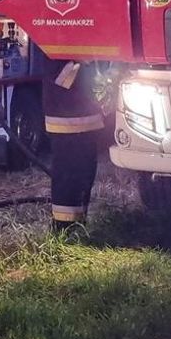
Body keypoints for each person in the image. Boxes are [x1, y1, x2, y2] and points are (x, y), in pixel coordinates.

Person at [42, 59, 103, 233]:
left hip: (83, 114)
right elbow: (62, 74)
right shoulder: (58, 48)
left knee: (84, 172)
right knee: (69, 173)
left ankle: (76, 224)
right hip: (66, 116)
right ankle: (65, 228)